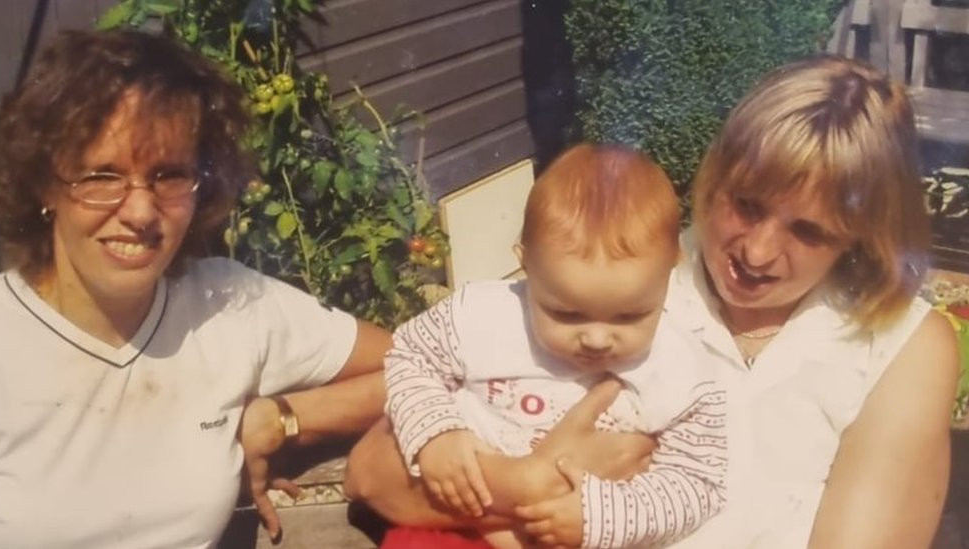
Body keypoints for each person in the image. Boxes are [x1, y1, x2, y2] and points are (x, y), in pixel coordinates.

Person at [345, 55, 959, 549]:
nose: (759, 251)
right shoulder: (628, 278)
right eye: (745, 203)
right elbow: (373, 471)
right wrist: (526, 482)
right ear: (717, 171)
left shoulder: (896, 342)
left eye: (808, 231)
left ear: (859, 232)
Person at [0, 29, 391, 548]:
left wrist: (284, 418)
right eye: (103, 176)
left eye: (169, 175)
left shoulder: (229, 306)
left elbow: (419, 365)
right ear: (47, 184)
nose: (140, 212)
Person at [384, 144, 727, 548]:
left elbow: (699, 484)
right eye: (567, 314)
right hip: (461, 521)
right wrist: (434, 433)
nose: (597, 339)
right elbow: (410, 356)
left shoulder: (682, 372)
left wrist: (602, 516)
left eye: (629, 316)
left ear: (672, 267)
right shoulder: (484, 316)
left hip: (581, 534)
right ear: (525, 263)